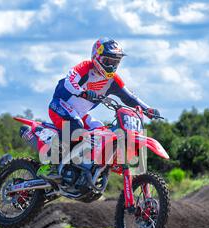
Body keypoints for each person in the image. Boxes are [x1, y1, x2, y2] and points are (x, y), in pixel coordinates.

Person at [39, 38, 160, 180]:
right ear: (97, 57)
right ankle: (49, 165)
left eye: (115, 62)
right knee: (76, 125)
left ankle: (83, 167)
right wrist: (82, 92)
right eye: (108, 61)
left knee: (101, 131)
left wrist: (148, 109)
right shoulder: (85, 67)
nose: (112, 66)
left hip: (80, 114)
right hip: (60, 105)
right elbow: (69, 81)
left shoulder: (113, 80)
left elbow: (129, 97)